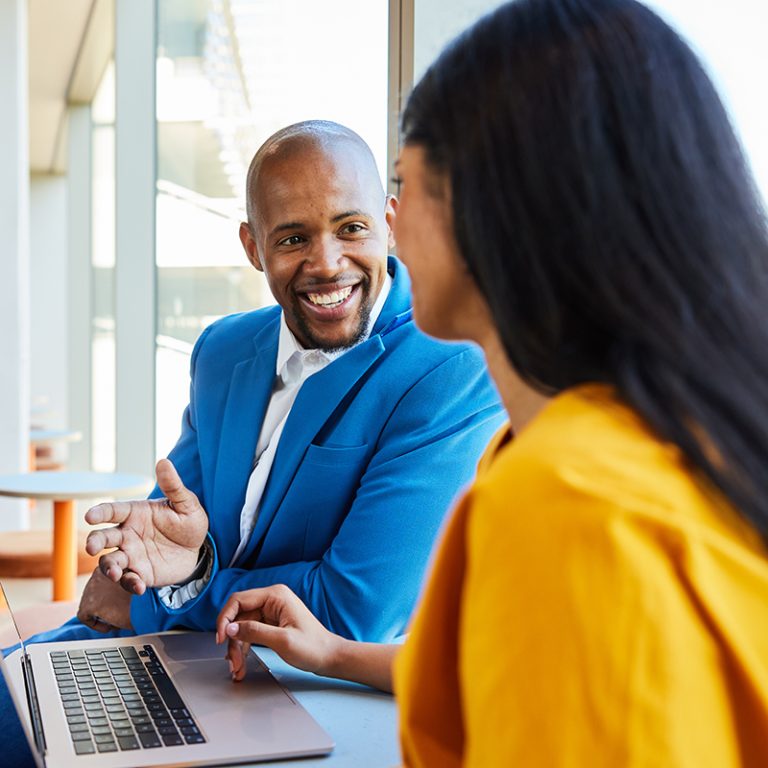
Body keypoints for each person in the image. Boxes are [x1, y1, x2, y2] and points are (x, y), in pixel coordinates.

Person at [213, 1, 768, 765]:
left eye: (405, 187)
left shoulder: (564, 501)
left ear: (499, 212)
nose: (385, 231)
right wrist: (337, 655)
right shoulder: (648, 439)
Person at [34, 120, 504, 644]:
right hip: (167, 650)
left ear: (389, 224)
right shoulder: (222, 350)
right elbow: (169, 541)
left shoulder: (452, 364)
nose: (327, 264)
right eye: (293, 238)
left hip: (303, 682)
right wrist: (153, 574)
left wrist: (174, 595)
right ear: (253, 247)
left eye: (351, 228)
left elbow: (355, 611)